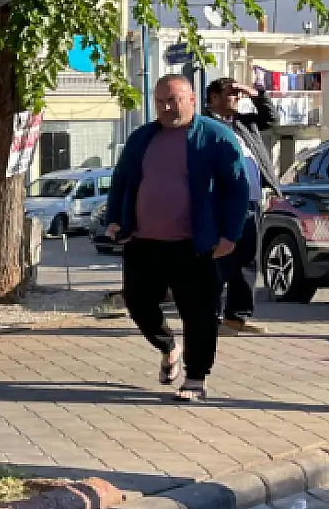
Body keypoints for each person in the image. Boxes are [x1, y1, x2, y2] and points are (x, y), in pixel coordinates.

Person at [104, 74, 249, 402]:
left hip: (194, 245)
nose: (168, 107)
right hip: (143, 241)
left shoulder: (216, 137)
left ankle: (196, 377)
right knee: (138, 302)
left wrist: (230, 234)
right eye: (161, 102)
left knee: (198, 312)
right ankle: (168, 345)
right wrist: (114, 220)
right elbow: (122, 181)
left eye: (175, 100)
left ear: (192, 100)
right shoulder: (142, 137)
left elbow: (237, 188)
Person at [205, 78, 279, 334]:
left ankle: (237, 316)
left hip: (251, 202)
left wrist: (255, 92)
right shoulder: (203, 125)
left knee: (247, 260)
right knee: (217, 259)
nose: (237, 99)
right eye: (231, 94)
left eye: (239, 94)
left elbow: (271, 119)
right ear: (213, 98)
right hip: (220, 201)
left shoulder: (244, 123)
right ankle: (207, 316)